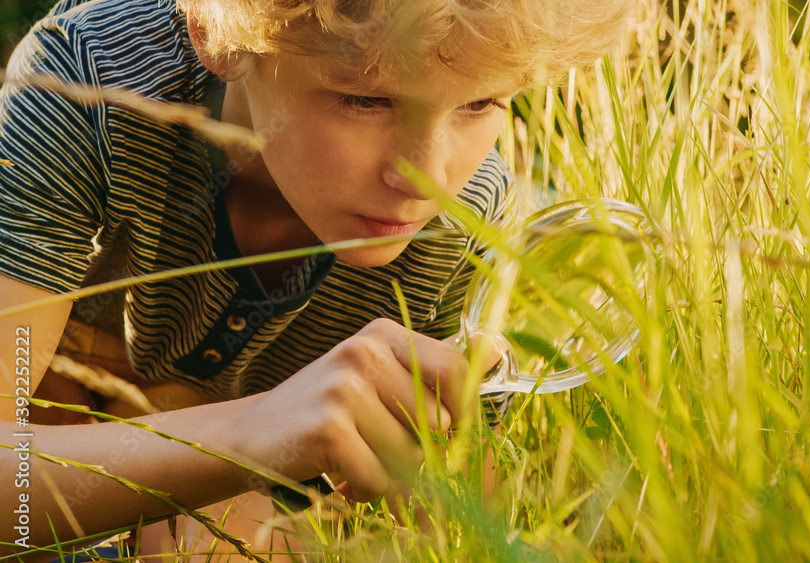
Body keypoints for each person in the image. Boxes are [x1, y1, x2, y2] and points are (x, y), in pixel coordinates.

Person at [0, 0, 631, 559]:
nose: (429, 177)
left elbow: (449, 511)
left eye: (480, 102)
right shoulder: (87, 86)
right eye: (368, 99)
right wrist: (249, 436)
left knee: (218, 537)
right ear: (218, 36)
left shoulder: (460, 226)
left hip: (234, 460)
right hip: (52, 391)